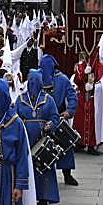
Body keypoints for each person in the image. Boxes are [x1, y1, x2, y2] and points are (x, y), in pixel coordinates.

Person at [15, 70, 60, 205]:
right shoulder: (20, 99)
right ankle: (27, 194)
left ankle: (44, 196)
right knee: (26, 166)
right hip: (25, 139)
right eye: (31, 82)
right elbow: (14, 117)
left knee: (43, 168)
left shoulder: (48, 99)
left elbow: (55, 117)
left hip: (42, 139)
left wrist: (50, 125)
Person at [40, 54, 79, 185]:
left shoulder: (62, 79)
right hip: (41, 119)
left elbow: (72, 95)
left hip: (59, 117)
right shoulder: (37, 77)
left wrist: (69, 111)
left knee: (66, 147)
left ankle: (67, 175)